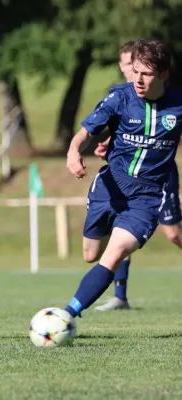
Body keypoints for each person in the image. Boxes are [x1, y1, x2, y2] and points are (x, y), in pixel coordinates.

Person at [64, 39, 182, 319]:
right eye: (136, 71)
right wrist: (73, 151)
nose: (138, 79)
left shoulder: (178, 105)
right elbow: (87, 131)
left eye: (146, 73)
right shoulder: (119, 97)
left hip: (147, 197)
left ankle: (66, 315)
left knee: (115, 253)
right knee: (90, 255)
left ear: (163, 75)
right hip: (110, 186)